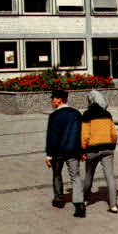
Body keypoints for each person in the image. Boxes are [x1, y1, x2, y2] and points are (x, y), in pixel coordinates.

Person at [45, 89, 84, 217]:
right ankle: (79, 204)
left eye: (53, 99)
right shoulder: (76, 114)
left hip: (57, 151)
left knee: (57, 174)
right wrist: (82, 150)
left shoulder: (54, 116)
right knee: (75, 176)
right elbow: (81, 134)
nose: (52, 101)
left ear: (59, 100)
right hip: (73, 150)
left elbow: (51, 137)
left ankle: (59, 199)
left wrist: (49, 154)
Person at [81, 89, 118, 213]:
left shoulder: (87, 114)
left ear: (90, 100)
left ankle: (85, 199)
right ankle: (113, 205)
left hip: (92, 150)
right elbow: (114, 134)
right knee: (110, 176)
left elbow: (85, 135)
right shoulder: (107, 114)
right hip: (107, 149)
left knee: (88, 175)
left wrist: (83, 149)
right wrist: (112, 146)